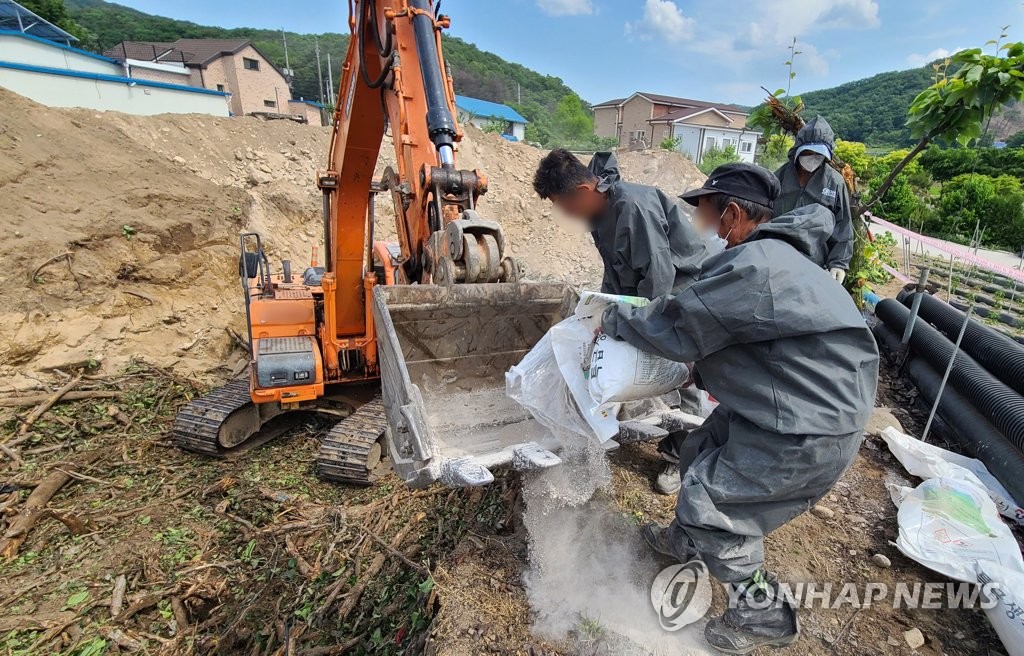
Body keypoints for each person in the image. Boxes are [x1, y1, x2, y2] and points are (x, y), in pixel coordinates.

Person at [601, 162, 879, 654]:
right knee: (701, 448)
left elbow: (684, 326)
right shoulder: (778, 259)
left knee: (714, 503)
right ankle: (686, 542)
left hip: (807, 426)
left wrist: (613, 317)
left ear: (731, 214)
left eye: (706, 218)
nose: (704, 231)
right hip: (791, 403)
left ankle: (762, 616)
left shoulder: (755, 267)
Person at [533, 149, 707, 494]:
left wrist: (630, 324)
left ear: (583, 191)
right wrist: (604, 312)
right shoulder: (599, 216)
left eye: (565, 207)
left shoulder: (633, 209)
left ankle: (683, 458)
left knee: (682, 371)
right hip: (650, 294)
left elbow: (658, 279)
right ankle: (610, 421)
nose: (566, 215)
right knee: (614, 345)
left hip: (681, 293)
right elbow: (615, 274)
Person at [773, 116, 854, 284]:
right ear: (798, 150)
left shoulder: (835, 182)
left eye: (818, 154)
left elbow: (843, 226)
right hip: (775, 257)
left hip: (813, 265)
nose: (812, 158)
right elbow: (762, 214)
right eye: (808, 153)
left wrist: (838, 263)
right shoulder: (779, 177)